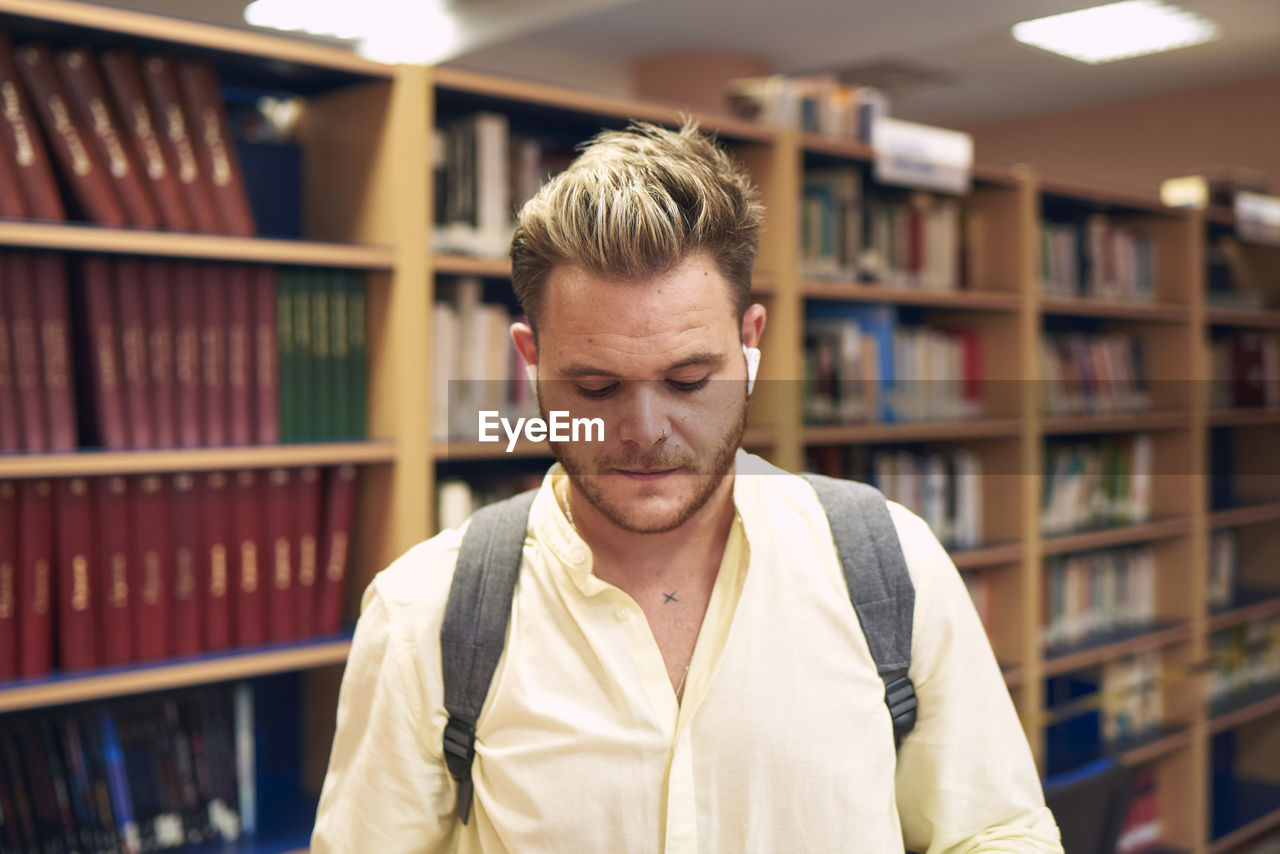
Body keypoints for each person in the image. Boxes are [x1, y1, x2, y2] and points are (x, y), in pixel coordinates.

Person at [311, 121, 1063, 853]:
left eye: (689, 379)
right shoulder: (425, 616)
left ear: (751, 345)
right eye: (597, 385)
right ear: (531, 360)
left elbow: (996, 831)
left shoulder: (889, 563)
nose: (645, 429)